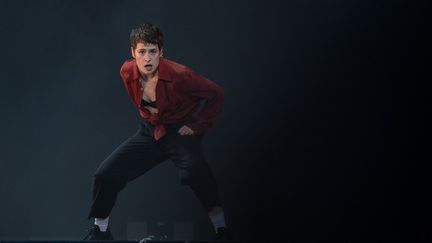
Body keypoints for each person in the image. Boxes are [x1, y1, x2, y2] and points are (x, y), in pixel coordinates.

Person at [83, 23, 231, 241]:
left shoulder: (181, 75)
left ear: (161, 52)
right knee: (105, 174)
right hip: (150, 131)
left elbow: (216, 94)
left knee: (195, 172)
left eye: (153, 52)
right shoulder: (127, 72)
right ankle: (101, 231)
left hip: (179, 131)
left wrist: (197, 126)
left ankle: (222, 230)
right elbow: (148, 106)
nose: (147, 58)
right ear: (133, 53)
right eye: (142, 52)